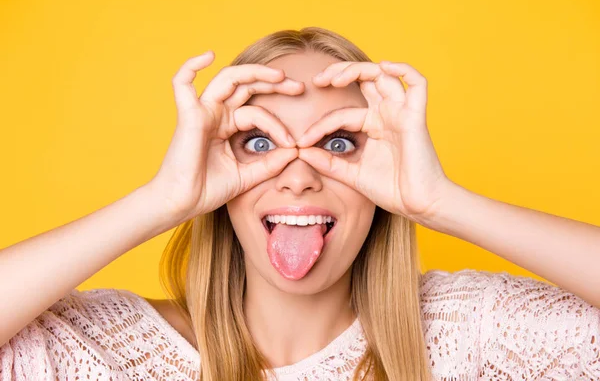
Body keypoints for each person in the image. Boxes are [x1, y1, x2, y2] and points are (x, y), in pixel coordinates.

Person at [1, 26, 599, 381]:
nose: (298, 176)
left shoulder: (473, 335)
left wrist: (442, 203)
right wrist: (160, 202)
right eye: (258, 142)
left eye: (338, 142)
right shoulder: (101, 350)